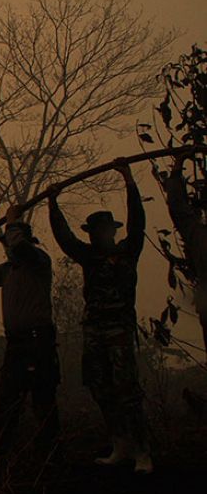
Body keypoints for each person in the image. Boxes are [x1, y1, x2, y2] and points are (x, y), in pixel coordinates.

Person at [47, 160, 152, 474]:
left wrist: (129, 180)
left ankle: (143, 451)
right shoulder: (88, 256)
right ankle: (120, 443)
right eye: (94, 232)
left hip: (119, 328)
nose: (98, 236)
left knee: (127, 390)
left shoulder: (127, 250)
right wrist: (53, 202)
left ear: (111, 231)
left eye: (103, 230)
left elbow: (138, 222)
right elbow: (64, 238)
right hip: (94, 329)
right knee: (99, 386)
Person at [0, 205, 60, 458]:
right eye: (6, 243)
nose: (8, 248)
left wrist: (12, 222)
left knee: (43, 400)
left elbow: (22, 248)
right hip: (16, 344)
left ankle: (51, 454)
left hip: (39, 342)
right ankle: (2, 452)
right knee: (8, 400)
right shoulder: (7, 271)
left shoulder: (38, 261)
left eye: (10, 242)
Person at [162, 153, 207, 356]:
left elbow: (179, 207)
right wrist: (178, 166)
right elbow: (178, 206)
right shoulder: (199, 236)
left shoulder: (198, 235)